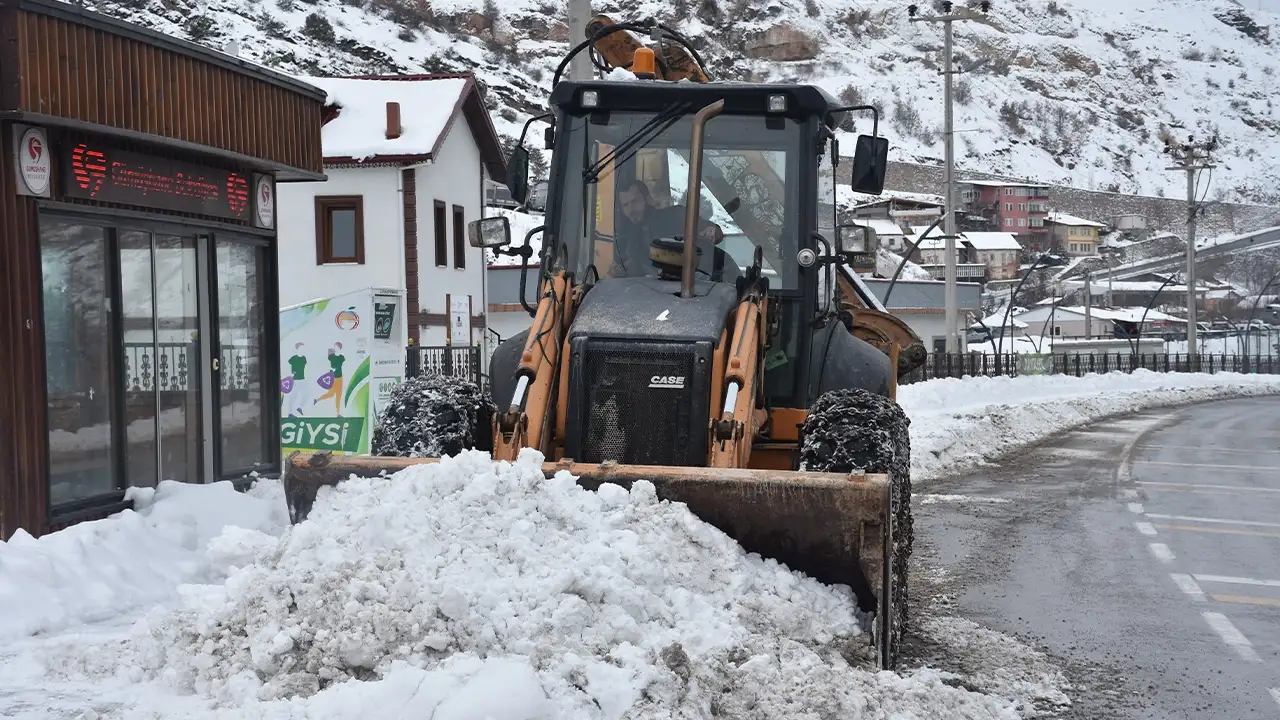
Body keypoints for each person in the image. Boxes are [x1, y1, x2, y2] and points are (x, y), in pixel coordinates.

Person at [610, 180, 728, 279]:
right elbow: (635, 270)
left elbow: (716, 233)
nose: (631, 209)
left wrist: (712, 231)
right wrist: (620, 271)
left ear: (648, 199)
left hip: (704, 285)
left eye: (635, 201)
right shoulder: (627, 237)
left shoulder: (676, 216)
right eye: (626, 205)